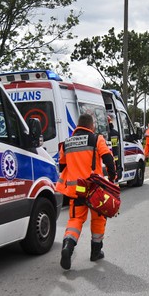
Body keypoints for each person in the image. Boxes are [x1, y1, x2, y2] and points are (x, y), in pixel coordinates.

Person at [56, 113, 117, 270]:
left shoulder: (66, 143)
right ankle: (95, 252)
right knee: (98, 219)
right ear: (91, 126)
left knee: (75, 221)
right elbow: (108, 159)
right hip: (94, 189)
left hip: (76, 190)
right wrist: (113, 177)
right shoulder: (96, 139)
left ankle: (68, 247)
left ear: (78, 125)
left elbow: (62, 167)